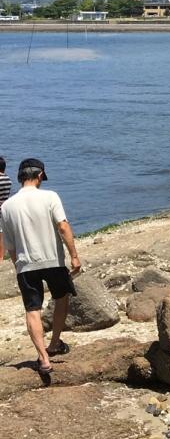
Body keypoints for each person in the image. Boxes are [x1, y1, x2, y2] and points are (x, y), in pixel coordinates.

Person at [0, 158, 81, 384]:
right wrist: (74, 255)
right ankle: (54, 343)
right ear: (39, 176)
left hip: (26, 265)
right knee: (61, 298)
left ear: (20, 177)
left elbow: (10, 246)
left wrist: (18, 265)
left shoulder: (7, 207)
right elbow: (63, 226)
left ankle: (44, 358)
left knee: (32, 309)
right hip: (53, 260)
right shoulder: (50, 197)